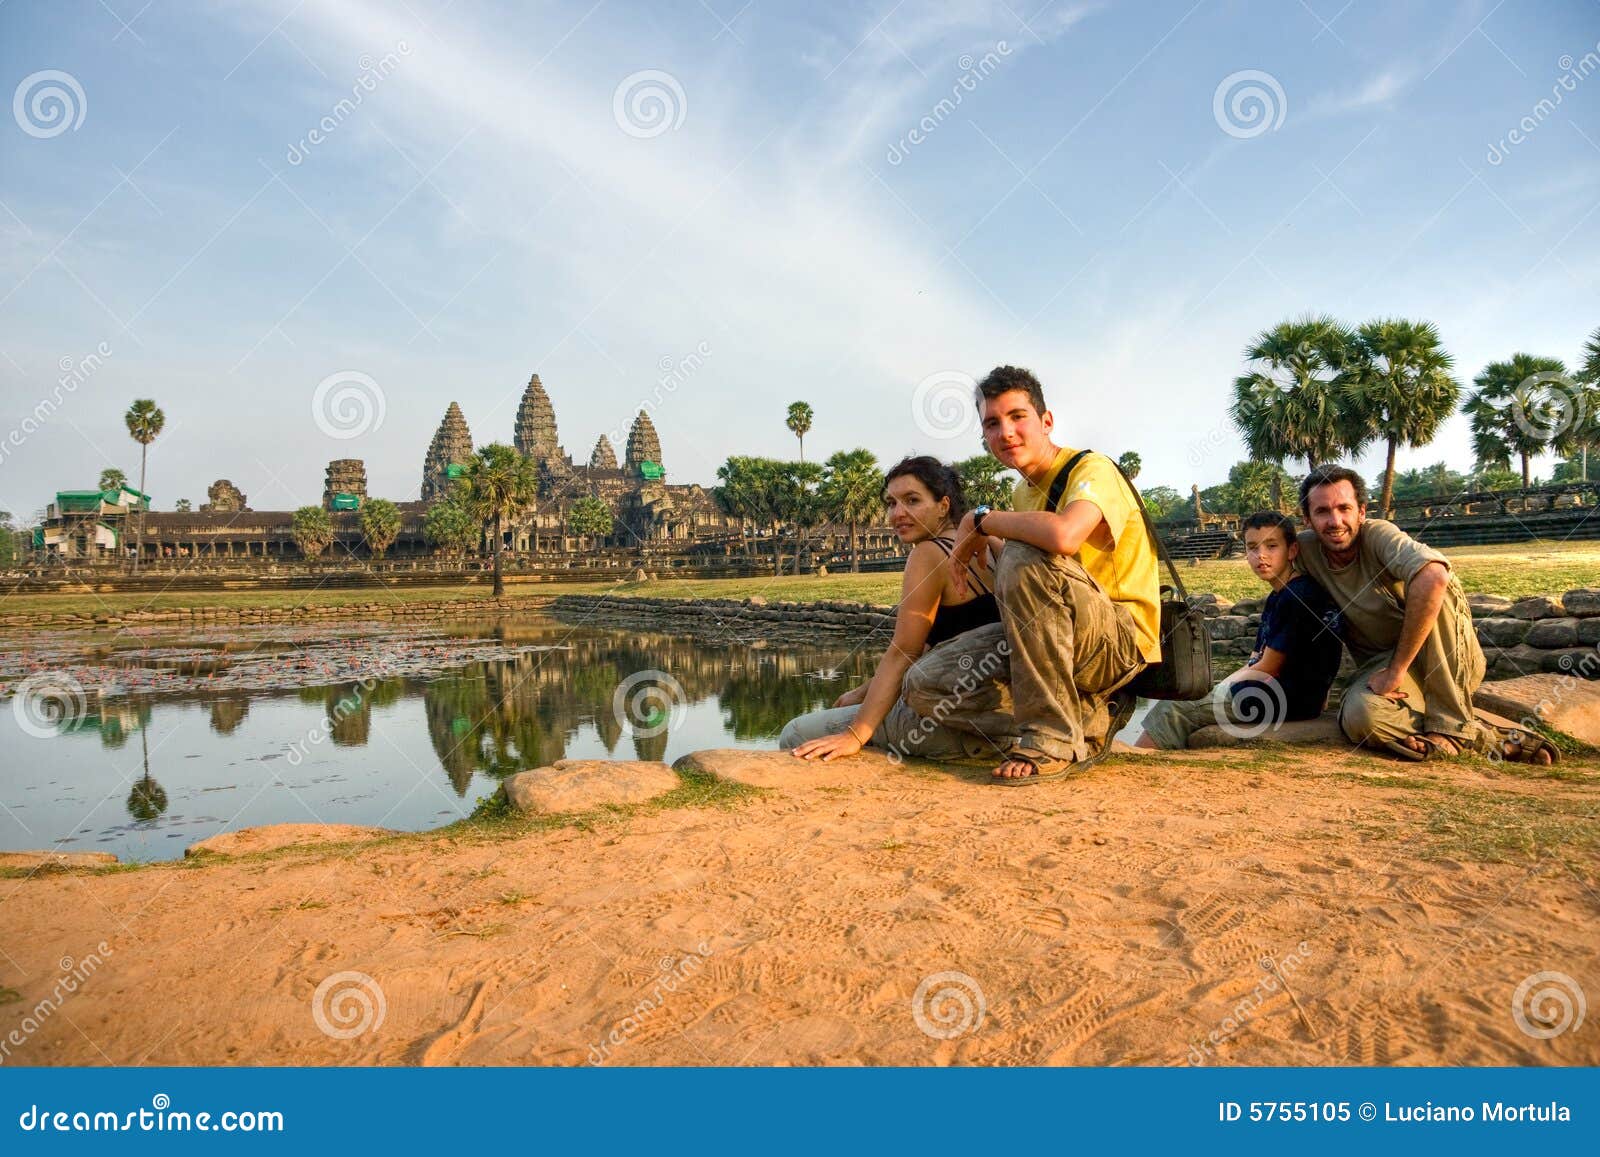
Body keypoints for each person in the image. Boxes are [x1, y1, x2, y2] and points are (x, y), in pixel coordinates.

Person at [902, 365, 1160, 784]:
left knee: (1024, 549)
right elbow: (1025, 578)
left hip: (1117, 641)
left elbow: (1064, 536)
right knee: (924, 683)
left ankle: (1051, 738)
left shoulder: (1092, 470)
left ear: (1046, 421)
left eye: (1018, 416)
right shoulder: (1023, 491)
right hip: (1053, 637)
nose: (1006, 432)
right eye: (992, 423)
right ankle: (1080, 722)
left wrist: (982, 520)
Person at [1295, 463, 1556, 764]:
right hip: (1383, 670)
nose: (1335, 521)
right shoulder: (1306, 550)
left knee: (1435, 582)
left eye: (1344, 508)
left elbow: (1433, 576)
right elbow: (1270, 563)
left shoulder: (1378, 535)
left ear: (1362, 512)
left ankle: (1450, 723)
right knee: (1361, 718)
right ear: (1308, 520)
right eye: (1322, 512)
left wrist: (1397, 670)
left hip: (1445, 659)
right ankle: (1488, 737)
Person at [780, 456, 1012, 762]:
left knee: (795, 732)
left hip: (957, 732)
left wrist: (855, 735)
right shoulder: (989, 542)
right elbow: (940, 646)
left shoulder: (928, 554)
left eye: (912, 500)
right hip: (1000, 718)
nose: (898, 513)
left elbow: (905, 651)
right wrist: (861, 693)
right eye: (891, 503)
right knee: (849, 708)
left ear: (944, 506)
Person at [1135, 511, 1343, 750]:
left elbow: (1269, 667)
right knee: (1198, 699)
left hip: (1285, 698)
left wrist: (1223, 688)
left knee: (1175, 709)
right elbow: (1257, 659)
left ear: (1292, 550)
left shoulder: (1297, 597)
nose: (1261, 555)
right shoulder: (1280, 595)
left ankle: (1140, 759)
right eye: (1252, 547)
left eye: (1272, 546)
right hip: (1292, 696)